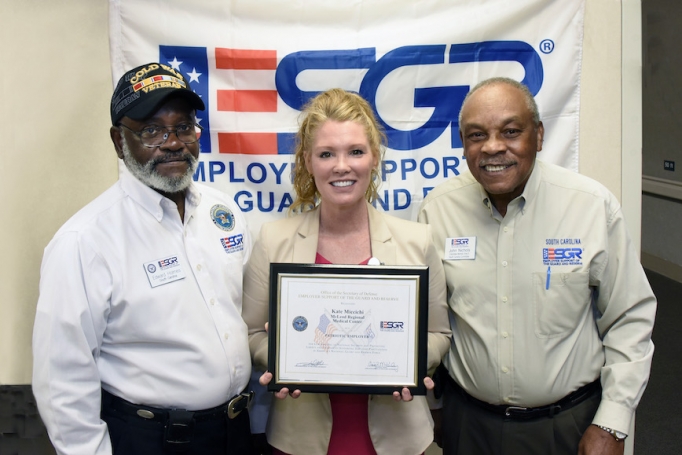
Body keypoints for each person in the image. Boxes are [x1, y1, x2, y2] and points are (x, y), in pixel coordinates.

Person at [418, 77, 657, 455]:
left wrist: (612, 421)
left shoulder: (591, 207)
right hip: (468, 424)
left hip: (567, 426)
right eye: (477, 135)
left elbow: (630, 317)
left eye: (511, 131)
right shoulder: (438, 209)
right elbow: (429, 319)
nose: (494, 147)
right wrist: (430, 407)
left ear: (539, 135)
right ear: (463, 144)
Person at [32, 62, 254, 455]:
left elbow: (249, 316)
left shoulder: (225, 213)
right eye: (152, 130)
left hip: (234, 433)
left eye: (184, 127)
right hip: (151, 441)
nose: (173, 143)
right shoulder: (85, 241)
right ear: (119, 142)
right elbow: (62, 379)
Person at [241, 88, 451, 455]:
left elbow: (439, 332)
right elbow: (253, 332)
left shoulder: (416, 241)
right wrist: (281, 356)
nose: (342, 166)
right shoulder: (273, 239)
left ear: (374, 158)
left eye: (355, 151)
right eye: (326, 154)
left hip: (400, 438)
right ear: (308, 161)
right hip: (300, 439)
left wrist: (408, 361)